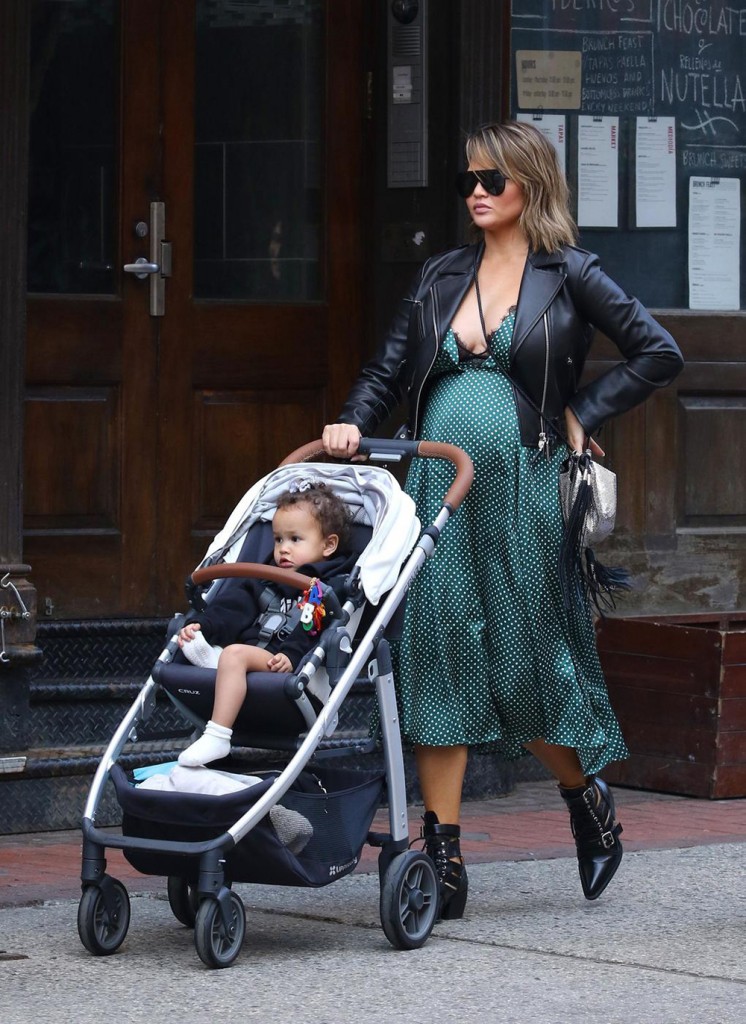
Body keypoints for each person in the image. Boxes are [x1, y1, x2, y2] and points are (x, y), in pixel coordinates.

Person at [322, 120, 684, 918]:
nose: (477, 194)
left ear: (532, 185)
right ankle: (443, 857)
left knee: (526, 666)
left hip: (521, 486)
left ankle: (585, 797)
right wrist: (352, 420)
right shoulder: (441, 274)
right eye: (469, 183)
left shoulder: (572, 273)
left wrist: (584, 409)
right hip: (435, 492)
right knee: (440, 656)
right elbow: (386, 368)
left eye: (493, 181)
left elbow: (659, 352)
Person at [178, 484, 355, 767]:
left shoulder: (325, 587)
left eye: (295, 539)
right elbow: (233, 609)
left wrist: (292, 655)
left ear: (328, 545)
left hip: (287, 665)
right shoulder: (264, 578)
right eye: (277, 539)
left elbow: (311, 626)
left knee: (234, 654)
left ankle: (217, 735)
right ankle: (217, 658)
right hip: (253, 653)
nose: (283, 549)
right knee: (231, 645)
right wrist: (203, 625)